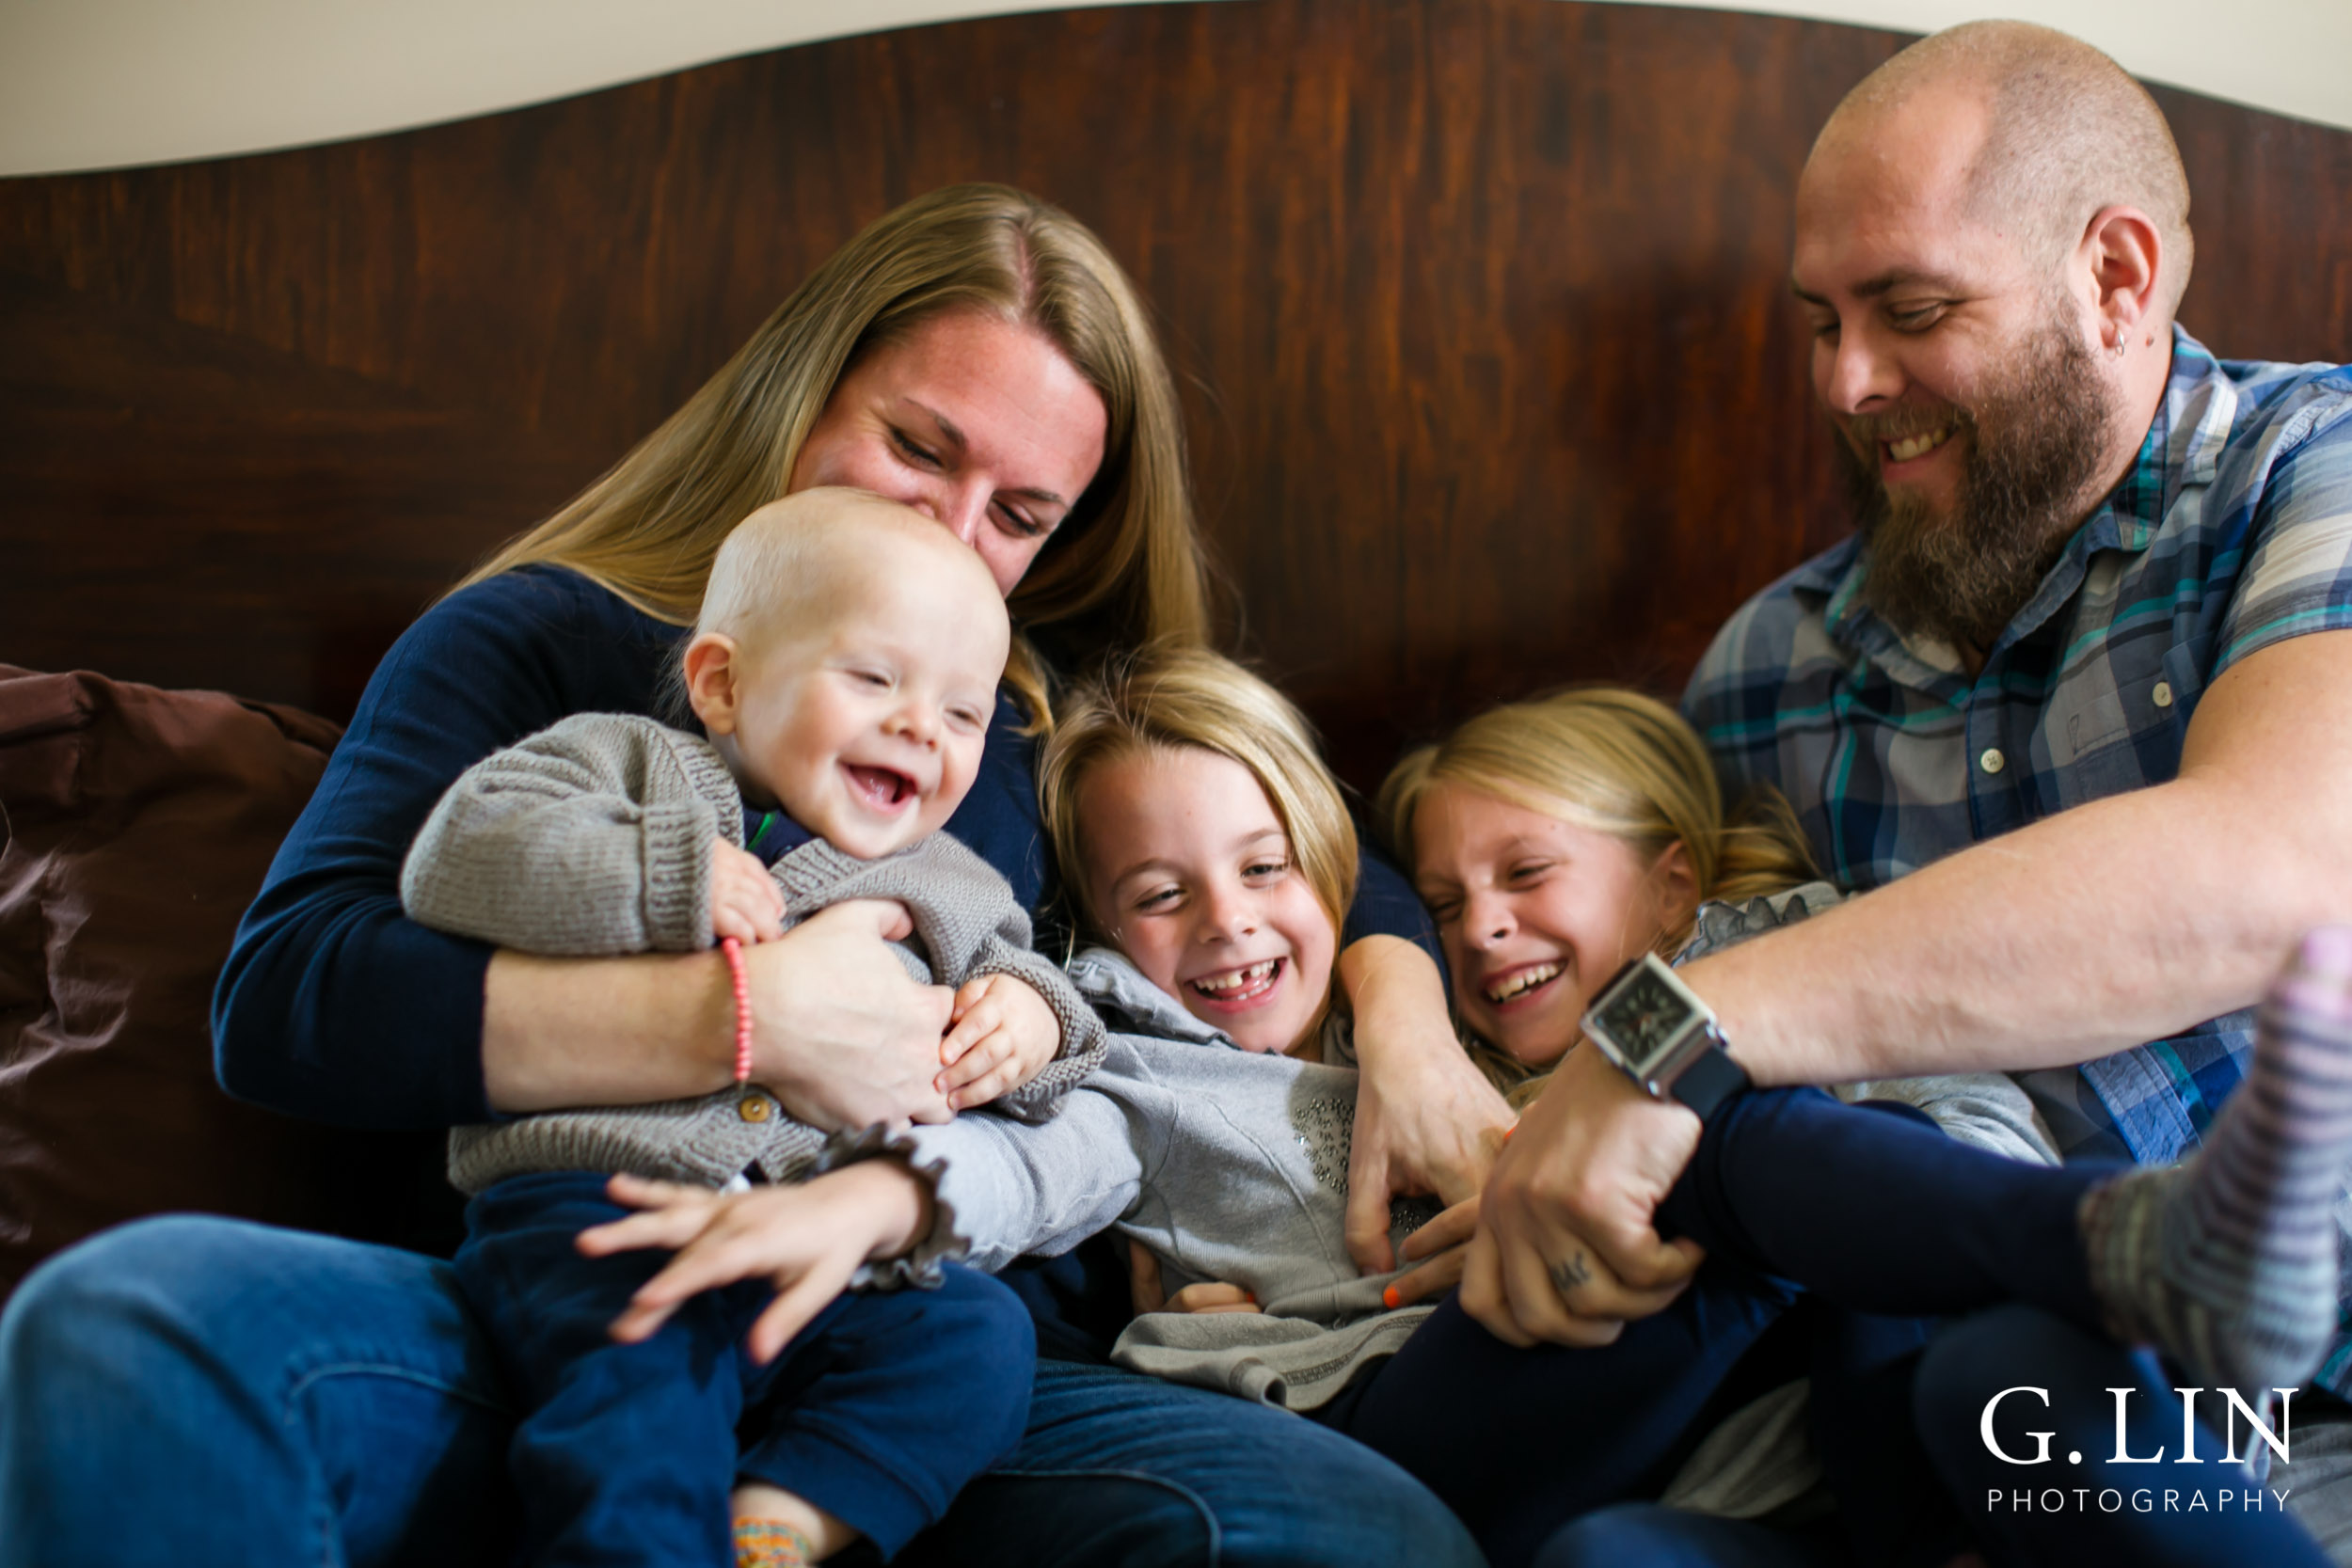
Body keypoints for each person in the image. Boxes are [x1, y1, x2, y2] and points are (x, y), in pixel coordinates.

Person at [0, 184, 1486, 1568]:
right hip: (586, 1283)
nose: (948, 536)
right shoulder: (546, 647)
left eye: (1020, 516)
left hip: (925, 1338)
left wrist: (1410, 1034)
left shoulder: (1013, 716)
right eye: (917, 447)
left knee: (1363, 1526)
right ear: (799, 394)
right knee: (127, 1321)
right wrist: (744, 1016)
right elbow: (291, 996)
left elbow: (1311, 850)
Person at [585, 656, 2344, 1568]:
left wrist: (1403, 987)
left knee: (1682, 1491)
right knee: (1700, 1140)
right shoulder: (1111, 1048)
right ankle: (2134, 1246)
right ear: (1091, 931)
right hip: (1400, 1416)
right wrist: (882, 1198)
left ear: (1337, 880)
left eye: (1267, 867)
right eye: (1154, 898)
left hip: (1644, 1450)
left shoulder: (1466, 1045)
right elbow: (1034, 1152)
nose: (1222, 926)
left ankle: (2083, 1330)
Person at [1459, 21, 2352, 1555]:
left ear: (2119, 277)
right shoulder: (1774, 662)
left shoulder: (2310, 472)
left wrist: (1667, 1034)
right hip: (1897, 1417)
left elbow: (2276, 879)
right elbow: (1578, 929)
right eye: (1821, 323)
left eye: (1914, 310)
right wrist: (1409, 1000)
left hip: (2283, 1408)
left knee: (2017, 1387)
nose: (1854, 385)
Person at [402, 493, 1115, 1567]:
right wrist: (665, 876)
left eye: (964, 714)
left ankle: (778, 1522)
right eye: (874, 678)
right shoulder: (620, 767)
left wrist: (1032, 1017)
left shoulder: (951, 881)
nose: (922, 724)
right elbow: (455, 858)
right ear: (722, 682)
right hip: (607, 1204)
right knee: (643, 1398)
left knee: (976, 1336)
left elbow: (1046, 1005)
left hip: (813, 1249)